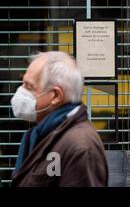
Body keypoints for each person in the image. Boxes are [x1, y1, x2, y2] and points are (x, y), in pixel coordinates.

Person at [11, 51, 108, 187]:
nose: (20, 92)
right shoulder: (42, 134)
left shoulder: (80, 146)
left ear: (56, 95)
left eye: (29, 86)